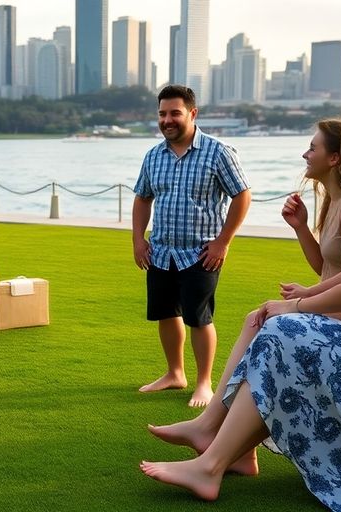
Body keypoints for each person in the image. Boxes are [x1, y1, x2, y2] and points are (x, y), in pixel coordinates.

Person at [140, 86, 341, 510]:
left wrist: (292, 305)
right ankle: (223, 446)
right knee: (283, 332)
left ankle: (211, 463)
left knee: (283, 332)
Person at [146, 119, 341, 476]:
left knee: (261, 325)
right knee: (257, 321)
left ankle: (213, 430)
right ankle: (234, 446)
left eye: (313, 147)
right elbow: (327, 265)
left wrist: (304, 296)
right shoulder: (332, 203)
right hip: (327, 305)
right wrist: (302, 228)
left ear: (335, 158)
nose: (306, 153)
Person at [132, 84, 252, 407]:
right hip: (160, 251)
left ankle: (203, 383)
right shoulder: (153, 156)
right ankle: (175, 373)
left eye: (174, 113)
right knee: (165, 313)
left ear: (192, 114)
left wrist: (223, 242)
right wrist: (137, 239)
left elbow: (242, 195)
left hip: (201, 253)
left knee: (199, 317)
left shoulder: (217, 152)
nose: (167, 120)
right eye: (162, 114)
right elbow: (143, 198)